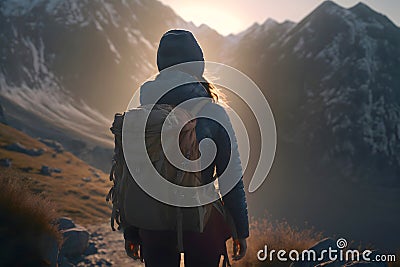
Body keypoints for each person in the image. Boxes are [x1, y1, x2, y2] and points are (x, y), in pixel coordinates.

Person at [124, 29, 249, 267]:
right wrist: (240, 230)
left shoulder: (143, 113)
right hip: (203, 225)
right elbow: (231, 177)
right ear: (198, 66)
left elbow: (131, 176)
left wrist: (132, 231)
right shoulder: (213, 112)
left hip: (153, 223)